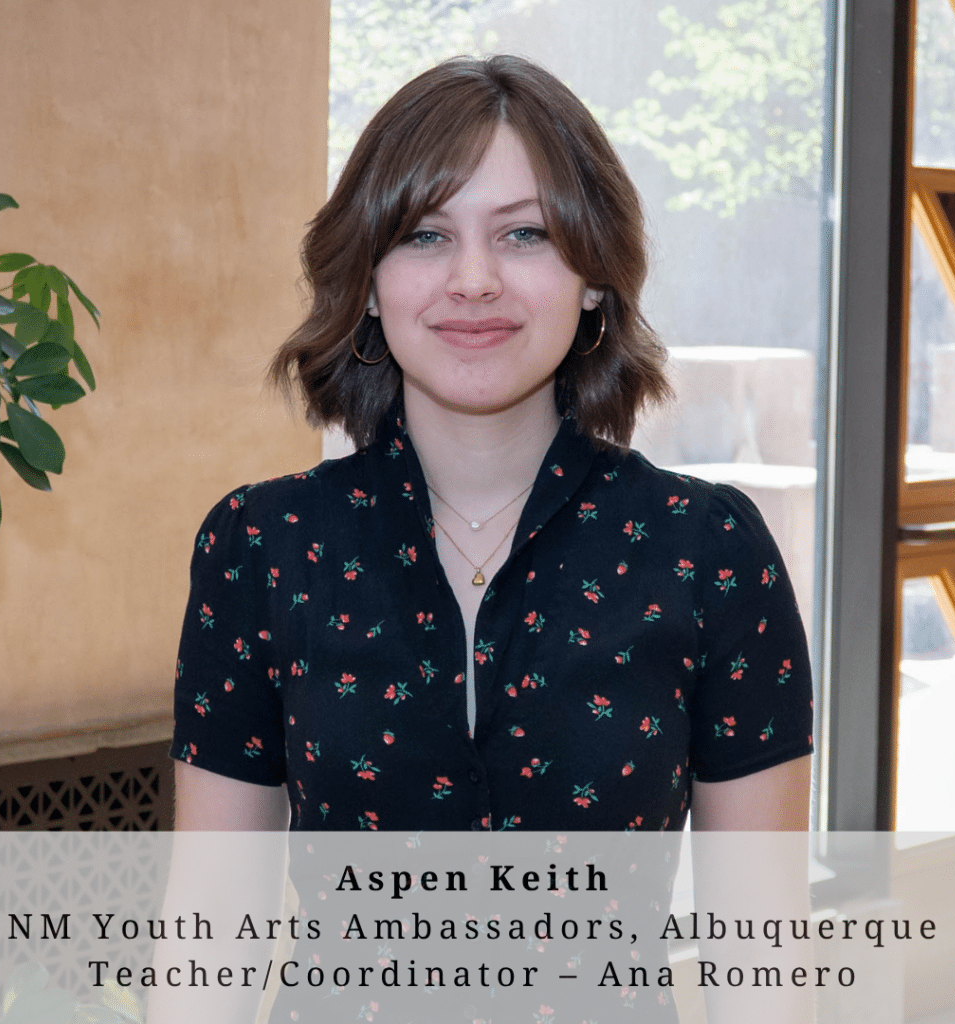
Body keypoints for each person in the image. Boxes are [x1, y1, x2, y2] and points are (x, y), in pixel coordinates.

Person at [171, 54, 813, 835]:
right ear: (369, 284)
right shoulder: (263, 547)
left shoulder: (709, 549)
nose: (474, 280)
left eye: (524, 233)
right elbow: (207, 929)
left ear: (595, 279)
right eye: (425, 235)